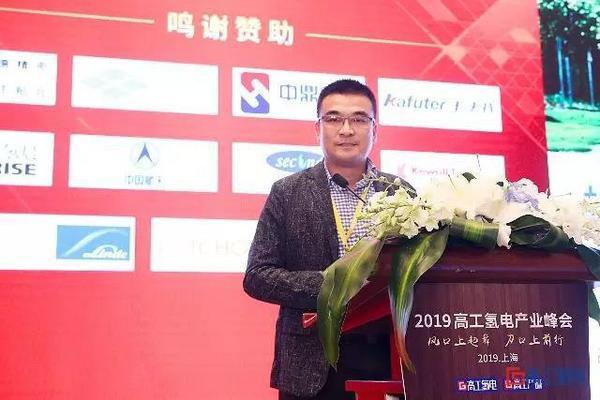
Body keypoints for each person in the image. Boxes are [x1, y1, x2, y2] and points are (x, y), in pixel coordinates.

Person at [243, 79, 412, 399]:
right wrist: (333, 284)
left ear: (375, 129)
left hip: (386, 356)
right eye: (334, 119)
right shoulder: (288, 192)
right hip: (309, 363)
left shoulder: (401, 194)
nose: (346, 130)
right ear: (317, 129)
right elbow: (257, 276)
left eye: (359, 119)